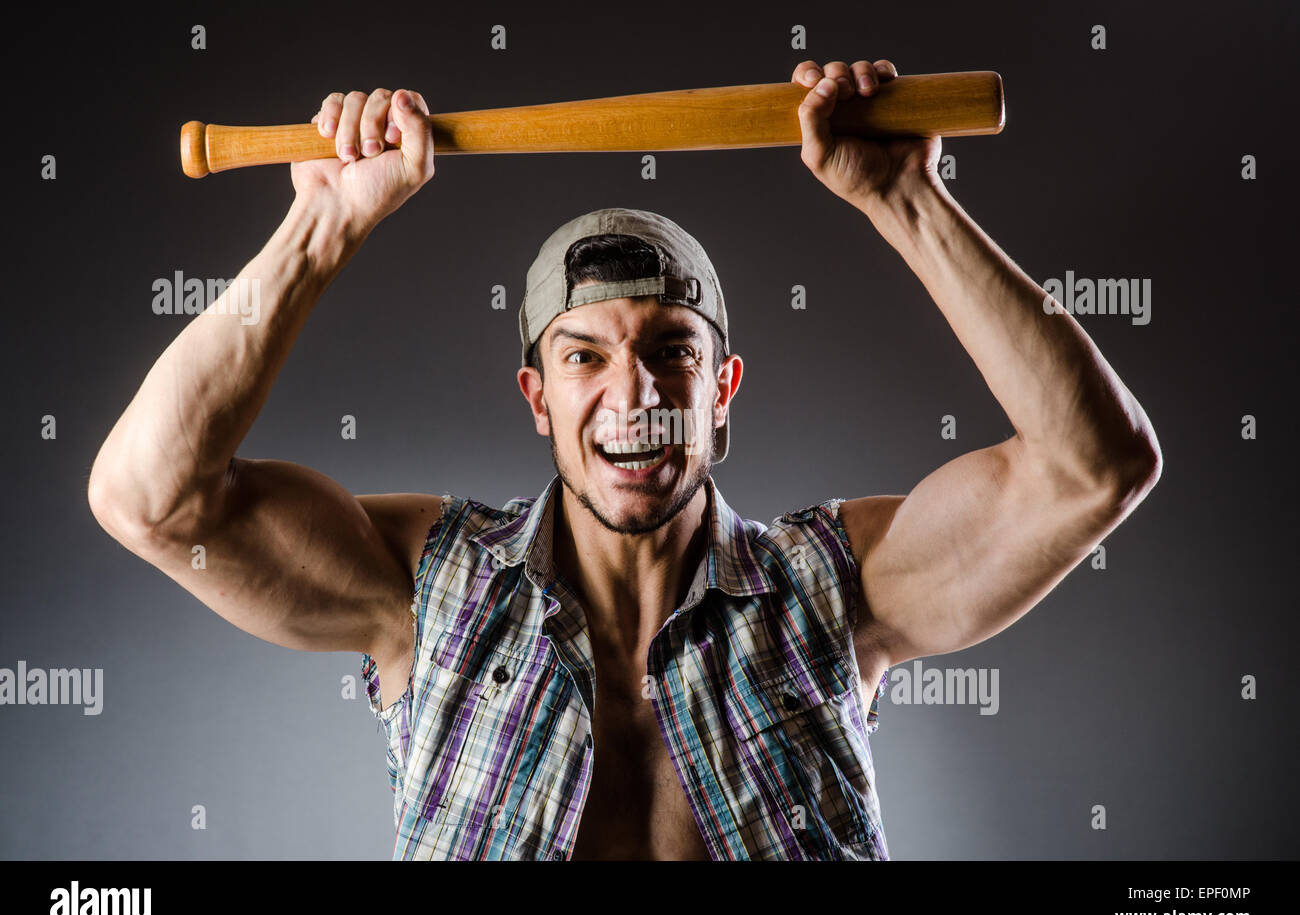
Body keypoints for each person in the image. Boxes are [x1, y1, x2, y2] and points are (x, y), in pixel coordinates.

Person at [87, 58, 1161, 861]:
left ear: (722, 392)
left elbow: (1092, 469)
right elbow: (151, 499)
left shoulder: (838, 588)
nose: (634, 390)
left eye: (671, 351)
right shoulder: (423, 586)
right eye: (585, 355)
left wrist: (906, 201)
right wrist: (315, 233)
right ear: (538, 401)